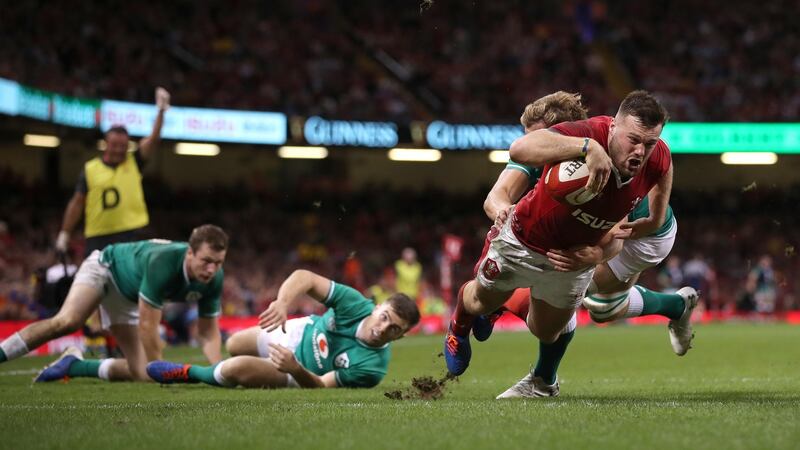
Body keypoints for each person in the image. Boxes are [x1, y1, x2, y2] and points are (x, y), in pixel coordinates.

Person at [444, 90, 675, 398]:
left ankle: (538, 372)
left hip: (570, 258)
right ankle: (461, 326)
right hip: (524, 240)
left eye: (648, 143)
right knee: (479, 301)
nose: (640, 150)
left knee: (548, 329)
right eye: (634, 139)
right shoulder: (578, 139)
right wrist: (586, 147)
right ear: (613, 128)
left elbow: (618, 236)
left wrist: (598, 253)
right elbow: (511, 167)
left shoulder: (647, 161)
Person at [0, 224, 228, 383]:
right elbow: (148, 327)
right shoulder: (164, 262)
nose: (211, 269)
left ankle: (74, 365)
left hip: (128, 295)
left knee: (141, 373)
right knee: (67, 322)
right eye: (206, 261)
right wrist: (163, 372)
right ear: (190, 253)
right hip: (106, 268)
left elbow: (208, 333)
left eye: (217, 263)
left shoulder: (214, 278)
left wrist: (220, 371)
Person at [146, 269, 420, 389]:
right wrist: (282, 303)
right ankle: (256, 370)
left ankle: (186, 373)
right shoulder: (354, 302)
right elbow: (305, 277)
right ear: (376, 308)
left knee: (234, 368)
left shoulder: (373, 369)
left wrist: (296, 368)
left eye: (394, 329)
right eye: (384, 317)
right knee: (233, 345)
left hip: (301, 371)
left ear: (402, 335)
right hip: (297, 331)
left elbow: (322, 386)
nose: (384, 329)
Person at [55, 87, 171, 257]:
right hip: (98, 236)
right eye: (115, 145)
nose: (119, 150)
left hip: (132, 234)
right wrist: (64, 234)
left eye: (123, 146)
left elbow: (153, 139)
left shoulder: (134, 162)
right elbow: (77, 202)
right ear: (105, 144)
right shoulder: (91, 169)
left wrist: (161, 111)